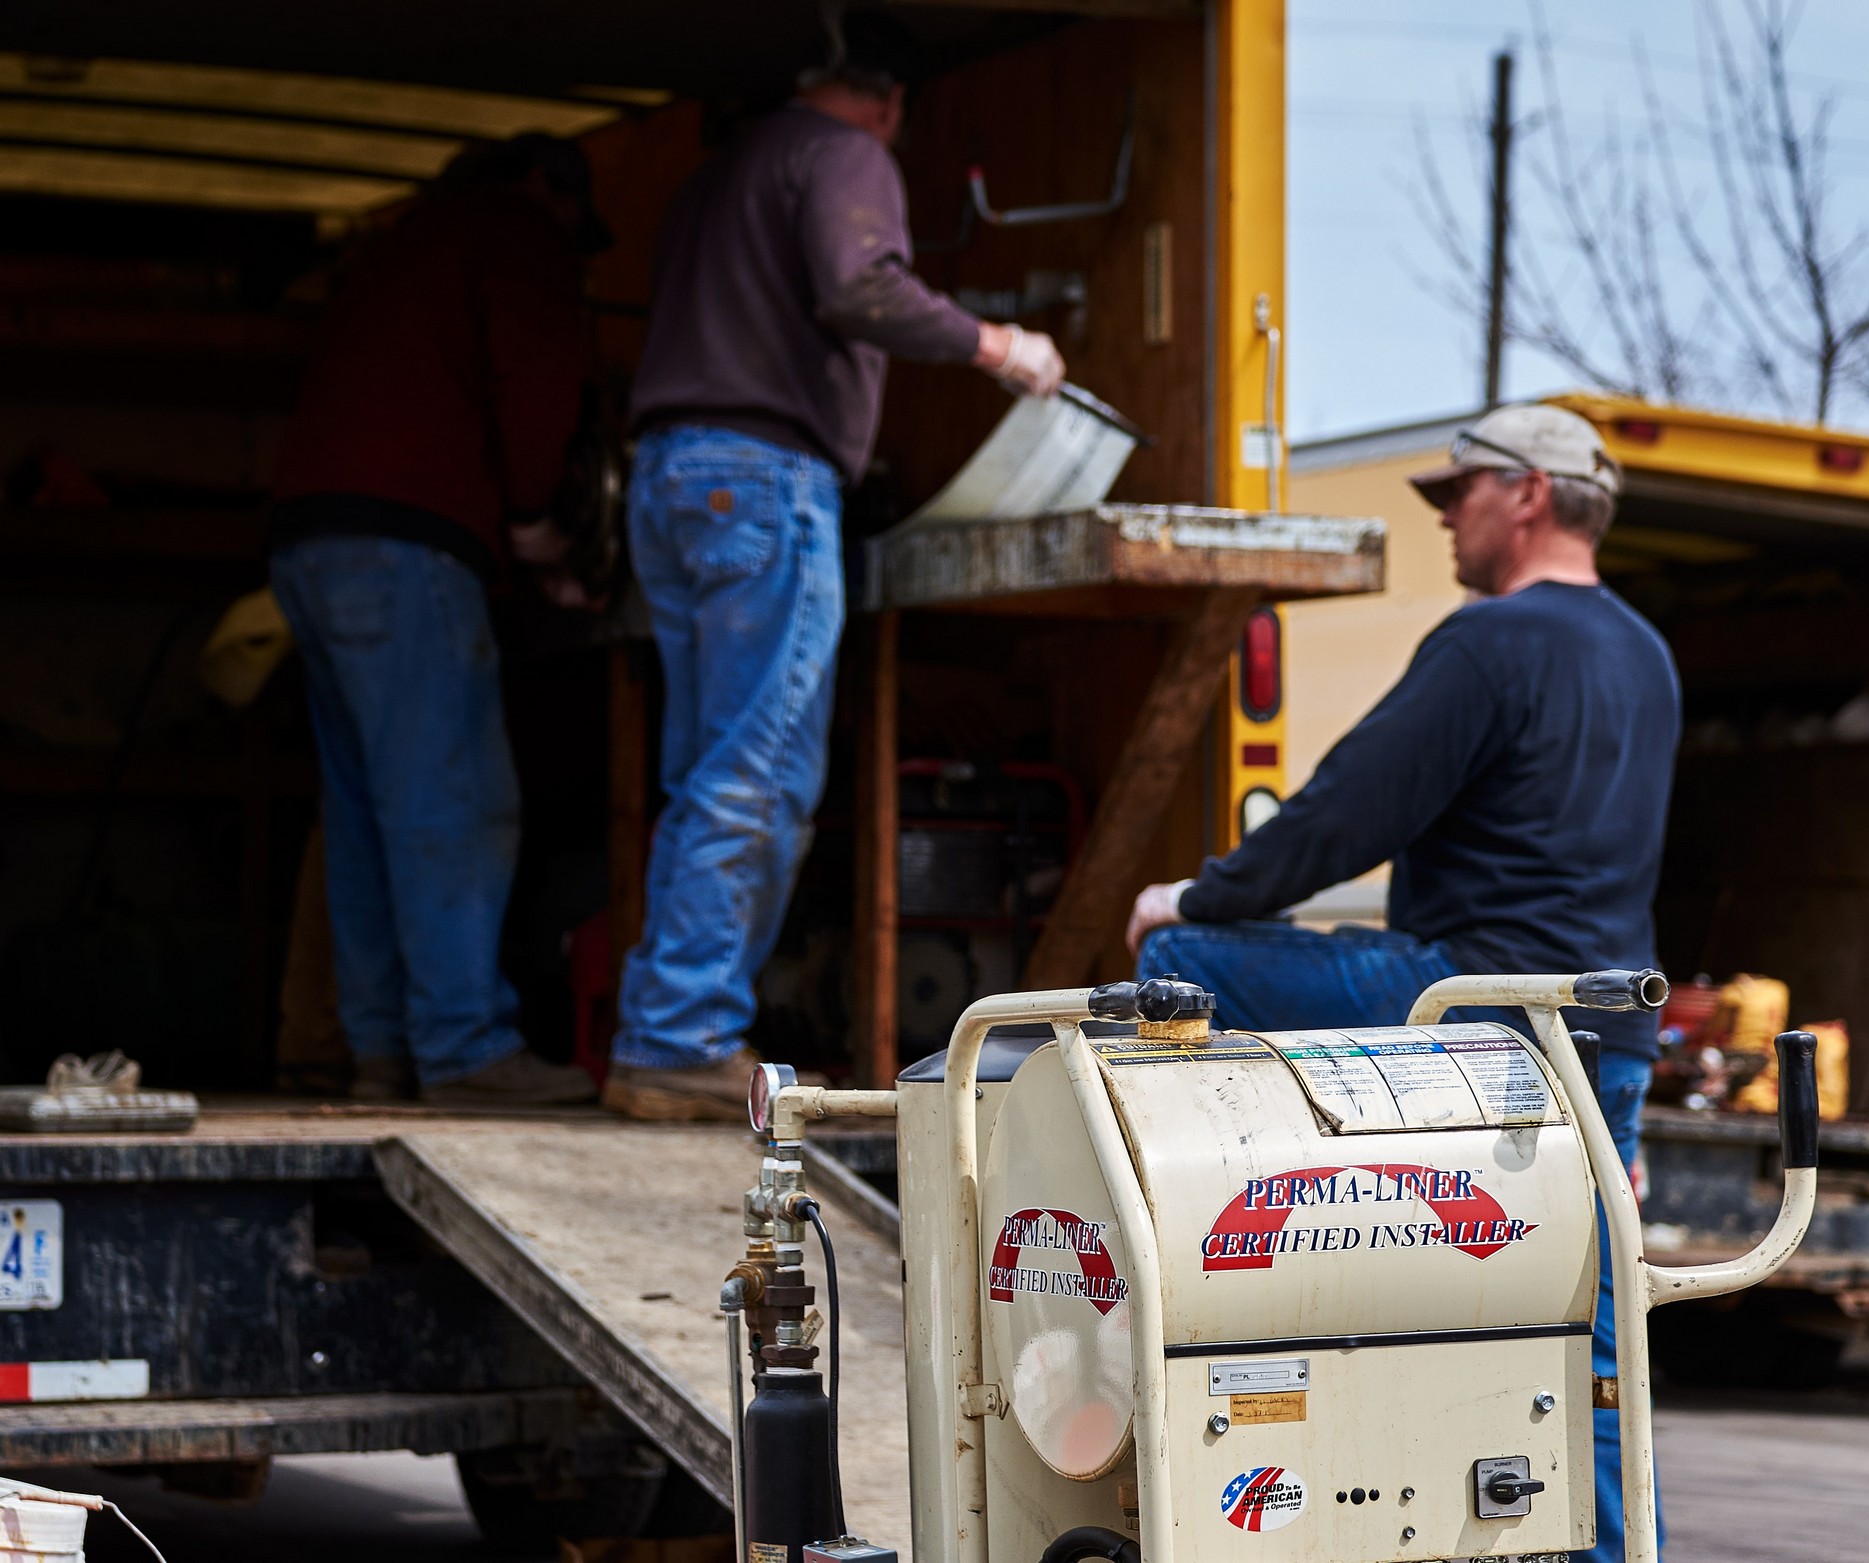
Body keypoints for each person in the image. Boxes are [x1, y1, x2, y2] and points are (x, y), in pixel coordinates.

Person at [1124, 402, 1678, 1563]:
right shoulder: (1647, 654)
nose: (1443, 519)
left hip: (1474, 1012)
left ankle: (1218, 1266)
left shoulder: (1492, 644)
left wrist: (1198, 897)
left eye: (1458, 493)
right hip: (1606, 1040)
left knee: (1178, 965)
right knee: (1593, 1351)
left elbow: (1345, 814)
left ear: (1527, 493)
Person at [605, 16, 1066, 1120]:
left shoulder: (714, 181)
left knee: (704, 771)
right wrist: (1001, 348)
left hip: (672, 478)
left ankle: (658, 1029)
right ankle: (678, 1036)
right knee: (757, 772)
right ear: (890, 101)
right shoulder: (844, 154)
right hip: (765, 477)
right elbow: (861, 285)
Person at [268, 134, 607, 1105]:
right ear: (548, 188)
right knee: (453, 801)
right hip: (405, 542)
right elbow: (537, 381)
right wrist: (538, 521)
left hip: (310, 539)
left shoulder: (402, 242)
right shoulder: (511, 231)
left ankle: (381, 1052)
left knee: (367, 814)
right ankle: (463, 1051)